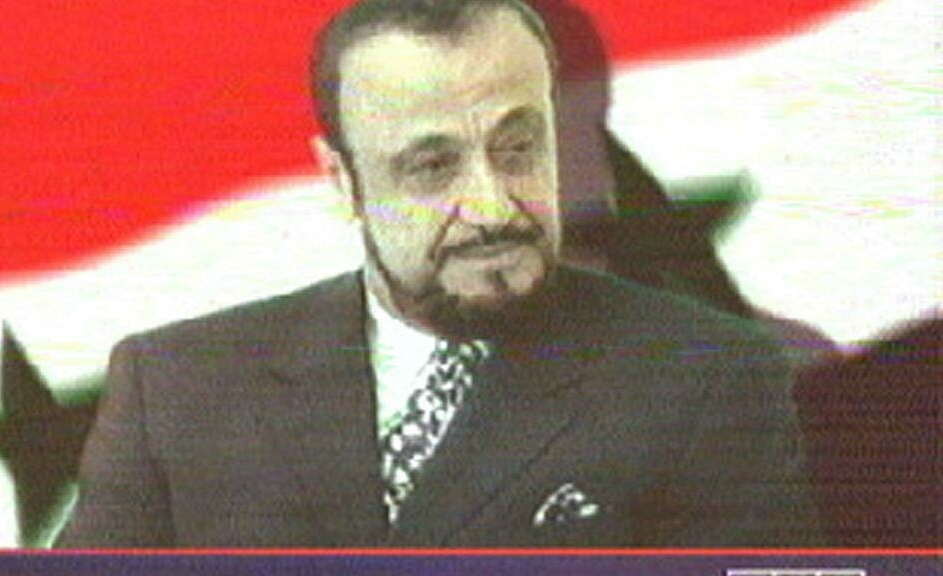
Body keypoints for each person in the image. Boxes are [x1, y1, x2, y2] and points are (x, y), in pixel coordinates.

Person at [57, 0, 822, 547]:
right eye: (432, 166)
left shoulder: (706, 379)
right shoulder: (174, 389)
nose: (492, 206)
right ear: (343, 182)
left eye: (518, 148)